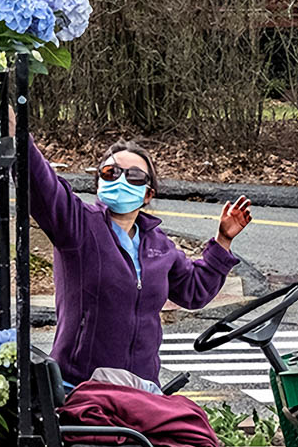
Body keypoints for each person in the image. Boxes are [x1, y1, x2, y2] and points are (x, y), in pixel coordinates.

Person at [29, 138, 252, 389]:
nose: (121, 180)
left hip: (142, 390)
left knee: (191, 426)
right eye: (111, 172)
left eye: (134, 176)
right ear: (99, 181)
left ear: (148, 194)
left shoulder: (158, 244)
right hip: (82, 387)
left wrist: (223, 240)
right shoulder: (77, 226)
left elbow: (194, 291)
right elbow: (41, 185)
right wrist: (18, 136)